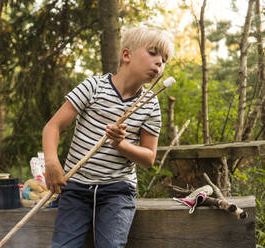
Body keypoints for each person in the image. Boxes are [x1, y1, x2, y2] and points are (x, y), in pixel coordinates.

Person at [42, 26, 174, 248]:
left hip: (117, 191)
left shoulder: (151, 103)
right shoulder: (93, 87)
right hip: (76, 188)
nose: (159, 62)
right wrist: (52, 162)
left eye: (164, 59)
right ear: (126, 55)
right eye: (153, 53)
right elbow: (52, 127)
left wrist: (121, 145)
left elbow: (149, 158)